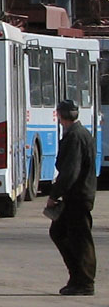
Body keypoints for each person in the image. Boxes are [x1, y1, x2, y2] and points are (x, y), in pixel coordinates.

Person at [45, 99, 97, 295]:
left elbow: (70, 171)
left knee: (80, 239)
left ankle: (84, 282)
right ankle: (76, 277)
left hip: (78, 196)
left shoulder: (75, 136)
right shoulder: (79, 133)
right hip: (77, 195)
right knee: (59, 232)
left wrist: (54, 195)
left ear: (60, 115)